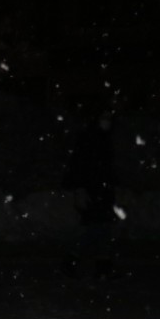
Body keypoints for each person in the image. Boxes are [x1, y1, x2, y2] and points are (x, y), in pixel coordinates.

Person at [63, 109, 117, 278]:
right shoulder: (91, 139)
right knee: (93, 228)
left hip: (101, 190)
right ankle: (81, 264)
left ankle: (99, 265)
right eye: (104, 118)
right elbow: (80, 165)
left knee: (100, 228)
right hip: (93, 191)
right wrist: (80, 188)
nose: (107, 122)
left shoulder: (103, 139)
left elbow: (106, 167)